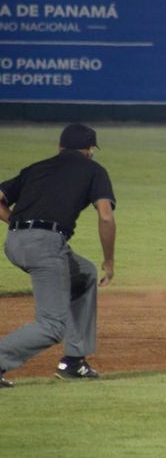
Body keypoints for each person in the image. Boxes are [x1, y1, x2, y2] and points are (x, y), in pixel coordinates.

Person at [0, 124, 116, 388]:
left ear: (60, 147)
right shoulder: (94, 170)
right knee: (52, 325)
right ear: (89, 150)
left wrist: (17, 222)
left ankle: (74, 362)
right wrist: (109, 261)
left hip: (15, 242)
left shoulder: (36, 168)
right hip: (45, 247)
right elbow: (106, 217)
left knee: (84, 274)